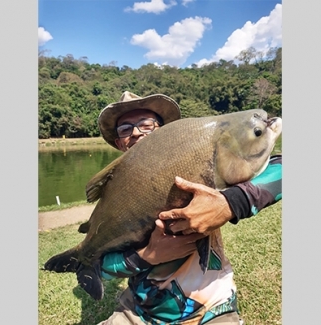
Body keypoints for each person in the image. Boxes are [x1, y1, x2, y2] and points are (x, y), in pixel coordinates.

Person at [95, 91, 282, 325]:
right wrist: (147, 255)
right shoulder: (116, 195)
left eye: (145, 124)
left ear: (165, 131)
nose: (135, 133)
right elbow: (99, 268)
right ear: (118, 143)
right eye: (125, 129)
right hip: (137, 313)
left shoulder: (200, 162)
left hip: (212, 309)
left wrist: (230, 202)